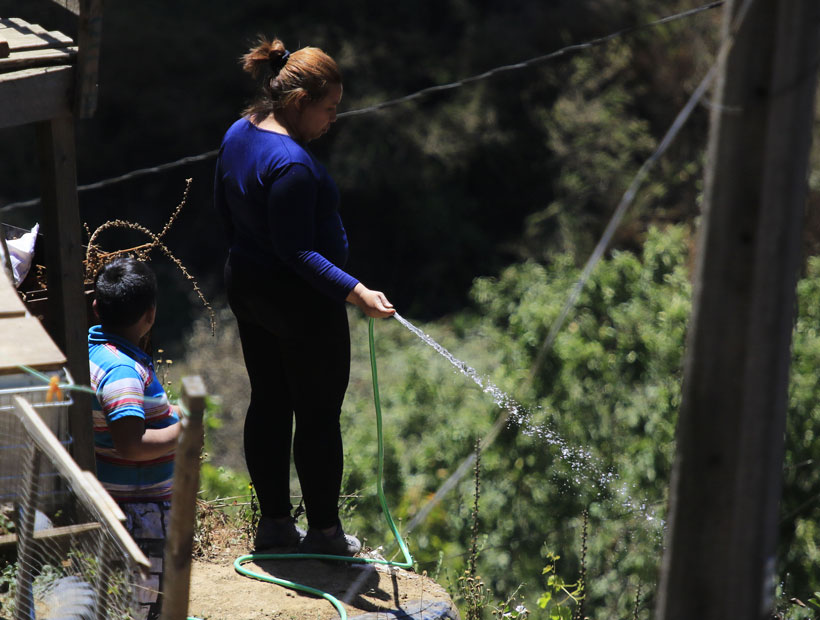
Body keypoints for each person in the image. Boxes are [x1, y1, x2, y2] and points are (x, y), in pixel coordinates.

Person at [214, 36, 395, 557]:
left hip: (248, 289)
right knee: (317, 416)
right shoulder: (292, 165)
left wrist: (250, 262)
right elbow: (297, 252)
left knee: (269, 402)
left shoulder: (237, 133)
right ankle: (324, 534)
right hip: (301, 305)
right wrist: (355, 291)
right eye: (329, 110)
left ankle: (273, 526)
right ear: (298, 103)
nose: (333, 120)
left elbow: (222, 210)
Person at [88, 257, 181, 620]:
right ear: (151, 314)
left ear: (97, 306)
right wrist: (183, 433)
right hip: (139, 518)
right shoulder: (123, 372)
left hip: (125, 511)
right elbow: (130, 444)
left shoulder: (97, 353)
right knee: (141, 609)